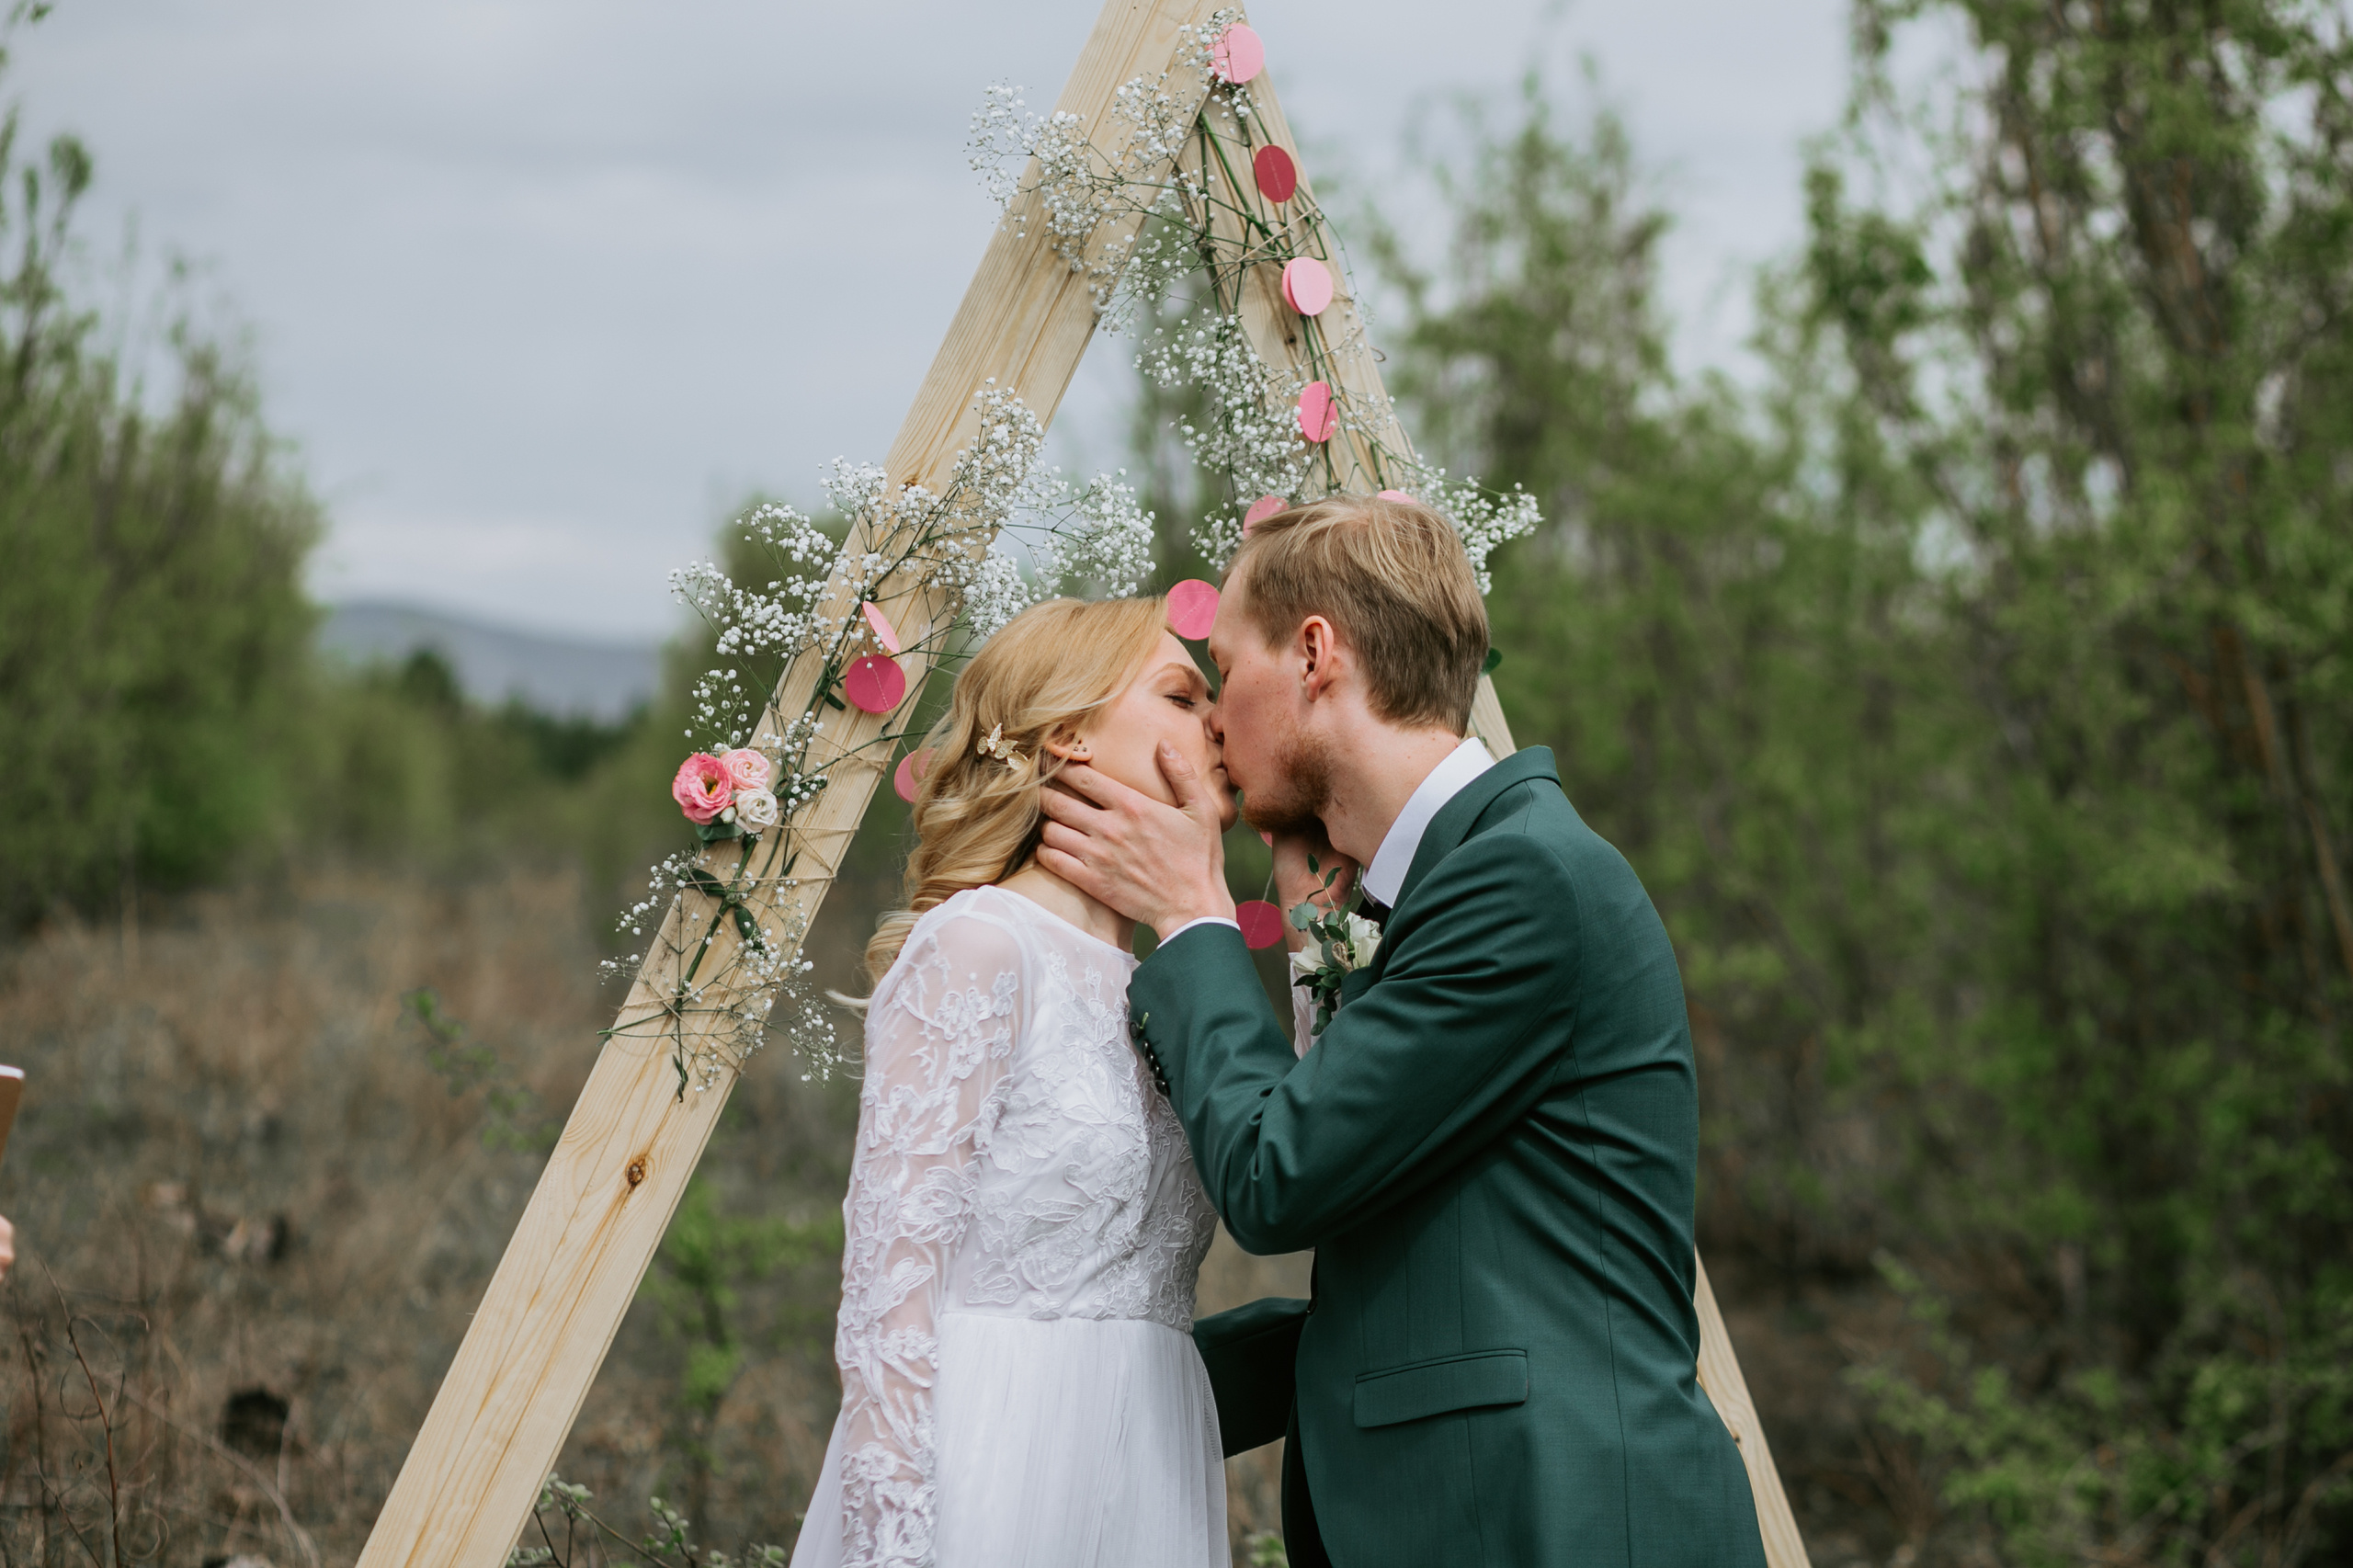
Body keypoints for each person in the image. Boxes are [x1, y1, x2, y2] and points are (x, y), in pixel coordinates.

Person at [1036, 495, 1768, 1567]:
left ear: (1315, 654)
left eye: (1226, 671)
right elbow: (1432, 1283)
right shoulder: (1444, 892)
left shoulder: (1523, 878)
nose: (1213, 724)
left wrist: (1191, 911)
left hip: (1561, 1521)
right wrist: (1068, 1388)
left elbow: (1276, 1175)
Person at [790, 596, 1237, 1568]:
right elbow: (887, 1287)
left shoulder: (1171, 980)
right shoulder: (983, 943)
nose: (1217, 720)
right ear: (1069, 734)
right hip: (993, 1459)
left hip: (1149, 1463)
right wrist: (893, 1541)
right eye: (1179, 692)